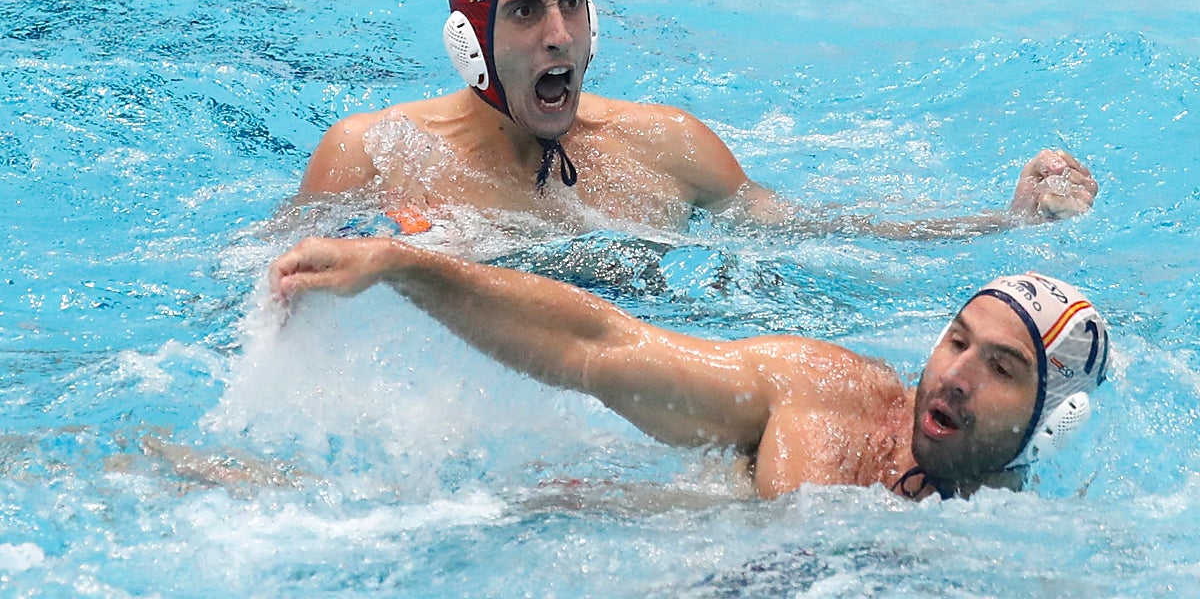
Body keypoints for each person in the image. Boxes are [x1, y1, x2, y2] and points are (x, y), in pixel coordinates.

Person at [298, 0, 1098, 238]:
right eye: (526, 13)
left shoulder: (666, 144)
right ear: (469, 43)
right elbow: (256, 296)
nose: (558, 37)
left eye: (573, 5)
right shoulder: (375, 156)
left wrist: (1008, 219)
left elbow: (822, 232)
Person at [269, 236, 1110, 500]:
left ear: (1053, 419)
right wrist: (408, 266)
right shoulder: (821, 396)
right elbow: (599, 346)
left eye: (1001, 366)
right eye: (956, 339)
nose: (955, 373)